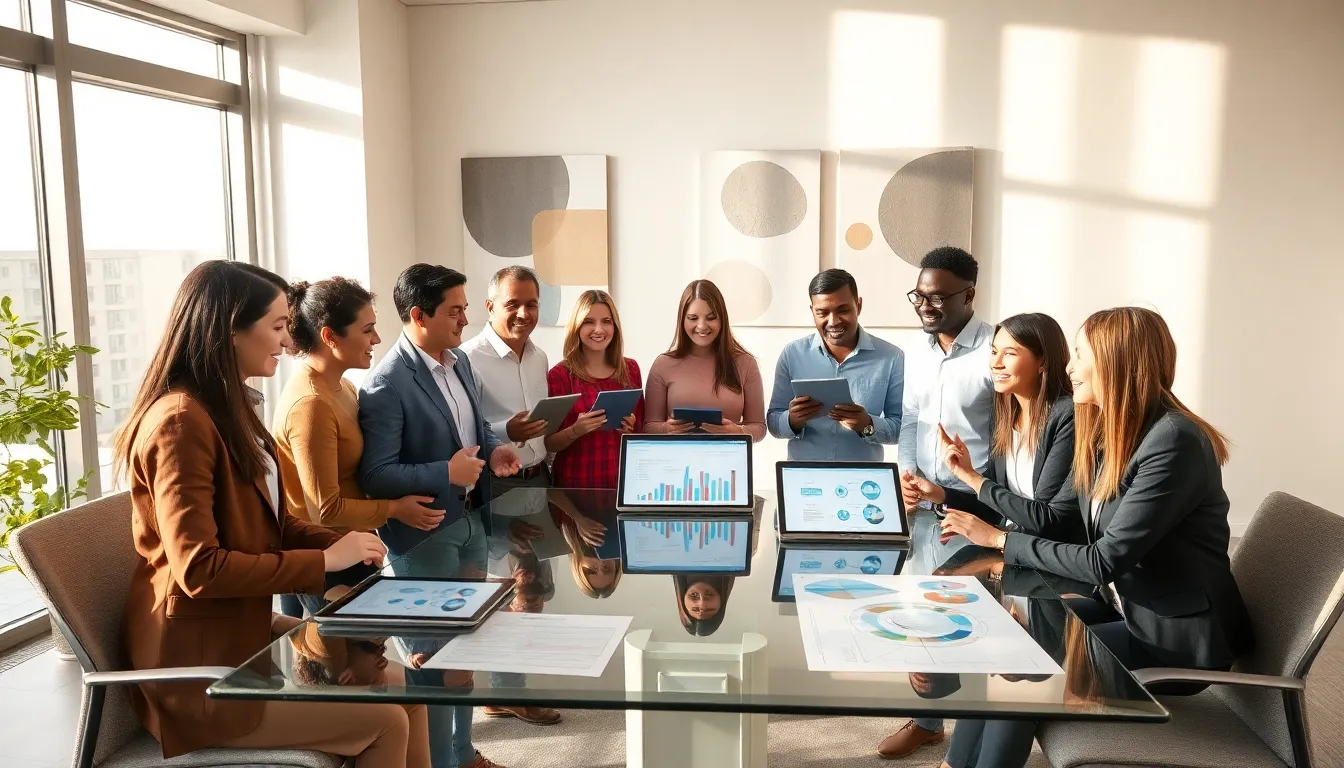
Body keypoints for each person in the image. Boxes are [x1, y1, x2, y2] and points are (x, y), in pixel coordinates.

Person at [114, 260, 423, 767]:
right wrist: (324, 562)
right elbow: (198, 568)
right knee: (385, 720)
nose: (287, 340)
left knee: (409, 689)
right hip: (201, 677)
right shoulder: (180, 423)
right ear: (230, 331)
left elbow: (271, 525)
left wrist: (337, 544)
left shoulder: (230, 407)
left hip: (243, 640)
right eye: (278, 326)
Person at [935, 307, 1254, 768]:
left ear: (1115, 361)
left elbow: (1104, 560)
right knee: (1002, 638)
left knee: (1022, 668)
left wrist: (1003, 542)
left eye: (1079, 354)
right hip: (1123, 607)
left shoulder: (1174, 441)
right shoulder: (1111, 432)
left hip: (1174, 639)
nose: (1068, 366)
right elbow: (1073, 527)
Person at [358, 263, 521, 768]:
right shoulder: (386, 383)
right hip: (424, 535)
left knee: (466, 651)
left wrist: (494, 452)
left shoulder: (461, 363)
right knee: (431, 660)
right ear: (418, 315)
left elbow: (477, 433)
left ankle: (463, 753)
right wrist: (443, 472)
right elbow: (377, 475)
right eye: (455, 311)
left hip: (471, 523)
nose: (465, 320)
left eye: (465, 309)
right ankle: (438, 762)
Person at [882, 247, 994, 759]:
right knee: (919, 614)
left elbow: (1012, 437)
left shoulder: (996, 349)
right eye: (919, 296)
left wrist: (970, 491)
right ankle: (928, 721)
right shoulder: (918, 351)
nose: (926, 306)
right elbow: (910, 422)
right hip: (922, 507)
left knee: (968, 623)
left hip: (976, 510)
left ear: (969, 293)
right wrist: (907, 477)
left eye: (938, 297)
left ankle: (975, 729)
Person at [273, 277, 440, 616]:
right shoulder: (312, 405)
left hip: (354, 546)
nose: (376, 339)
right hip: (329, 557)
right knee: (352, 665)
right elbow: (325, 509)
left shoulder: (343, 386)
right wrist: (395, 509)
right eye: (367, 330)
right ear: (330, 336)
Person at [903, 313, 1080, 541]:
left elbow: (1045, 519)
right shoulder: (1005, 413)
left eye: (1010, 354)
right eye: (994, 352)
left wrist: (971, 477)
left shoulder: (1067, 416)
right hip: (1011, 546)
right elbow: (995, 505)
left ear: (1042, 362)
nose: (996, 363)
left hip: (1045, 553)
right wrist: (939, 494)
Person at [766, 269, 904, 460]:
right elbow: (773, 423)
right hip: (805, 480)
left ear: (859, 305)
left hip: (864, 483)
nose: (833, 322)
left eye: (843, 310)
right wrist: (791, 420)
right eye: (822, 312)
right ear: (812, 311)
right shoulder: (792, 354)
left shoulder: (891, 357)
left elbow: (901, 427)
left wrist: (868, 424)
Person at [460, 266, 553, 496]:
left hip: (542, 478)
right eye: (512, 304)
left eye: (531, 304)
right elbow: (460, 432)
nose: (524, 313)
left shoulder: (539, 357)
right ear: (490, 307)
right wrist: (506, 431)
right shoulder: (466, 359)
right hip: (496, 484)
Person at [643, 279, 766, 440]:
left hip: (730, 460)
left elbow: (759, 427)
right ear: (682, 320)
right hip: (676, 461)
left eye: (710, 317)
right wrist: (666, 429)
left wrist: (737, 432)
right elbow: (648, 426)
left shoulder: (745, 363)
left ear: (722, 319)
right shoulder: (663, 365)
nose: (701, 326)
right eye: (693, 318)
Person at [544, 290, 642, 489]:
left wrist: (631, 428)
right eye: (589, 321)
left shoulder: (631, 369)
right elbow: (547, 443)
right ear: (577, 326)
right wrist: (575, 431)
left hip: (623, 483)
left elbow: (641, 431)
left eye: (606, 321)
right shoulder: (560, 375)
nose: (599, 329)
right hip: (575, 486)